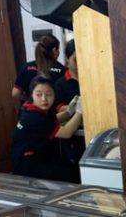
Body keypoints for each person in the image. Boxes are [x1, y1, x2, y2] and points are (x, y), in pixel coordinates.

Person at [10, 76, 82, 180]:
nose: (44, 99)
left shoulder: (32, 108)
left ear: (54, 95)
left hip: (35, 158)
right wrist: (79, 112)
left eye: (49, 94)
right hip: (27, 166)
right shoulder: (33, 116)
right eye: (39, 94)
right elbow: (66, 133)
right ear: (32, 94)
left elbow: (53, 119)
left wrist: (69, 111)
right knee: (74, 175)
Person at [54, 39, 84, 183]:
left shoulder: (90, 78)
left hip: (92, 131)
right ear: (67, 58)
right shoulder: (61, 83)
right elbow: (59, 108)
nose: (79, 64)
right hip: (73, 135)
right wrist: (76, 106)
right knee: (75, 171)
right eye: (75, 60)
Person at [11, 34, 65, 106]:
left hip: (32, 110)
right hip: (55, 111)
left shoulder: (27, 67)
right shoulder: (61, 69)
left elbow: (15, 94)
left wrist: (29, 100)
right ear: (54, 50)